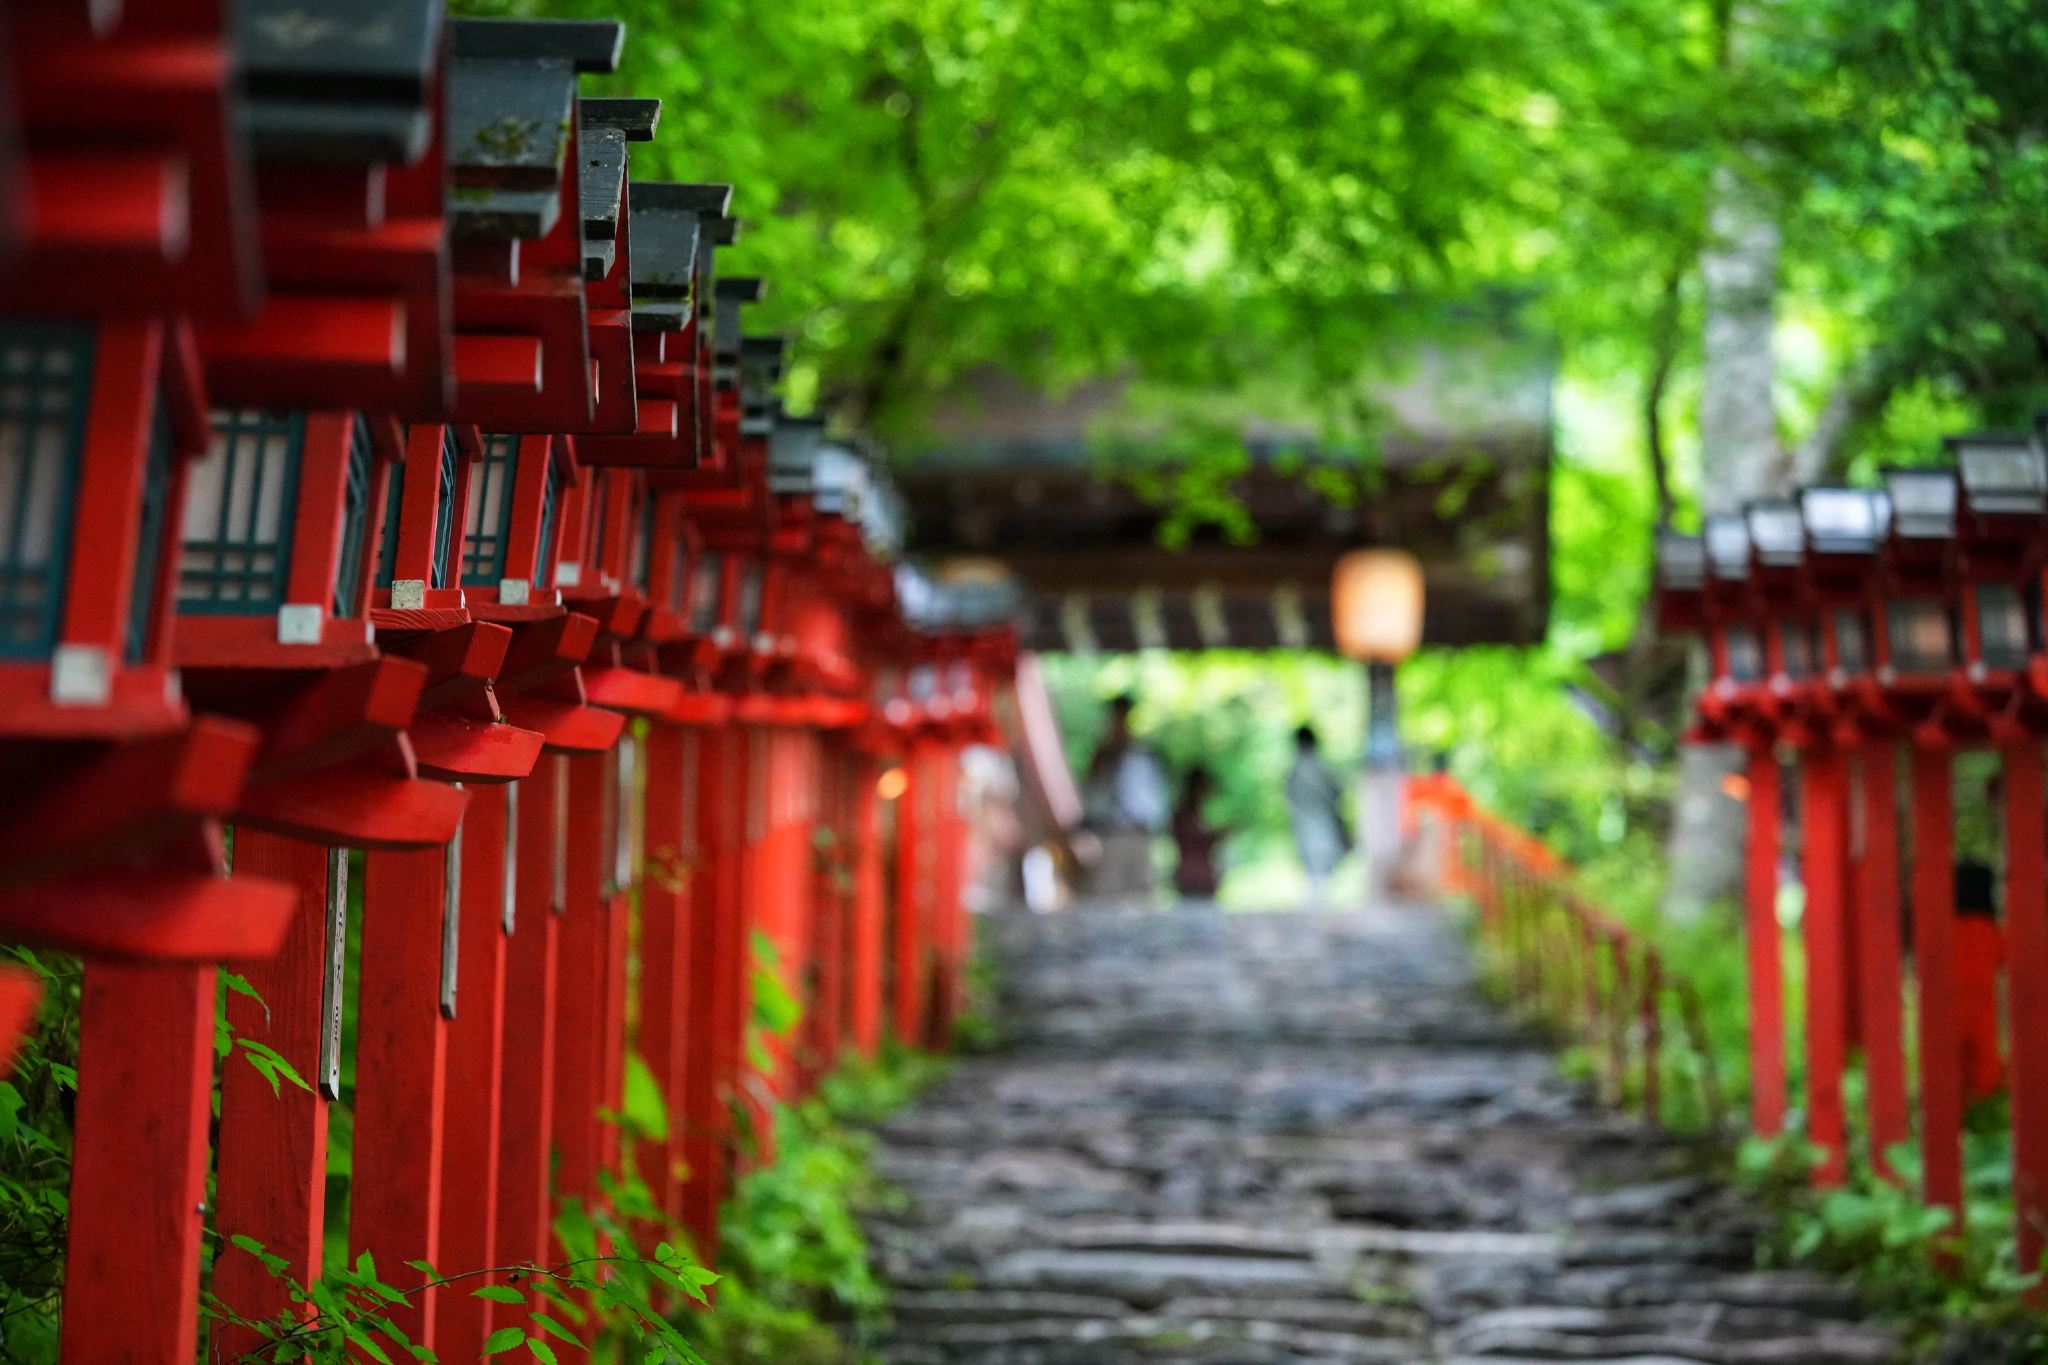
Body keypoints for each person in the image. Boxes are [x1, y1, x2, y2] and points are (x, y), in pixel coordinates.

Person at [1079, 695, 1169, 904]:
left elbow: (1152, 794)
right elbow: (1094, 787)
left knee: (1142, 893)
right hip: (1111, 832)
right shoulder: (1105, 752)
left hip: (1139, 831)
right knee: (1108, 893)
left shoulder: (1143, 752)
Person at [1954, 859, 2006, 1105]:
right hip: (1983, 1007)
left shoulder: (1946, 929)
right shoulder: (1989, 931)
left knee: (1951, 1069)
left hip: (1949, 1008)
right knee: (1986, 1071)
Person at [1286, 725, 1348, 908]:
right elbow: (1335, 792)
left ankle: (1315, 900)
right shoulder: (1317, 766)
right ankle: (1316, 901)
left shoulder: (1297, 767)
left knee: (1315, 865)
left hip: (1309, 823)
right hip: (1318, 823)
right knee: (1319, 865)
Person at [1171, 766, 1224, 901]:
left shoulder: (1195, 814)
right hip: (1192, 876)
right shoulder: (1182, 815)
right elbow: (1194, 839)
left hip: (1201, 877)